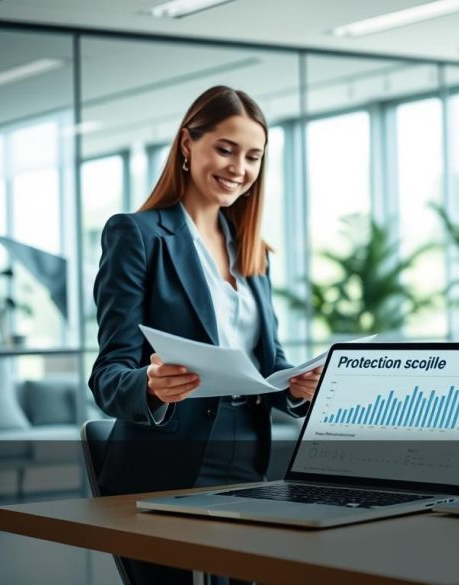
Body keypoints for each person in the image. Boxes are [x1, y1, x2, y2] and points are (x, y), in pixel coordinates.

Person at [89, 85, 320, 584]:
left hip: (245, 463)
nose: (239, 167)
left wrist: (296, 387)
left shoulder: (253, 251)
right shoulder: (138, 235)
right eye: (225, 148)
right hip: (161, 467)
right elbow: (108, 375)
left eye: (253, 156)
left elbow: (267, 361)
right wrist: (149, 385)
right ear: (187, 145)